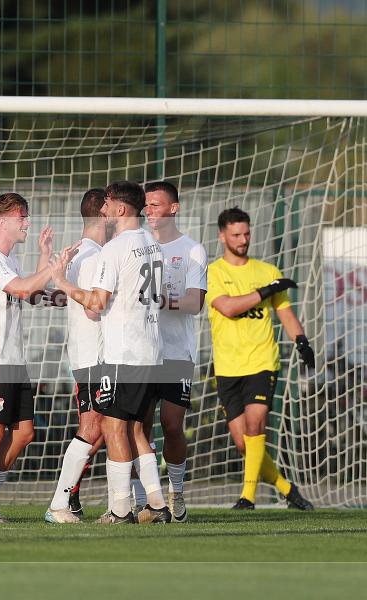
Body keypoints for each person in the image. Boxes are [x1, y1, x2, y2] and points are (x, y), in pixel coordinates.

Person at [50, 180, 170, 524]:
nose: (103, 208)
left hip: (124, 352)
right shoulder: (152, 244)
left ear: (120, 209)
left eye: (107, 203)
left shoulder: (113, 250)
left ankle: (120, 509)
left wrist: (61, 281)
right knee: (135, 430)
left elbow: (95, 303)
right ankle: (158, 505)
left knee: (114, 428)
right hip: (151, 351)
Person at [206, 207, 315, 511]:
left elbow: (285, 314)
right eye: (236, 234)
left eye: (247, 233)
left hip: (262, 362)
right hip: (228, 366)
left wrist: (302, 341)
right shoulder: (213, 272)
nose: (243, 239)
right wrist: (265, 291)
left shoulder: (268, 270)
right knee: (244, 443)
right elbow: (228, 307)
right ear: (222, 236)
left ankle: (247, 497)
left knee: (256, 427)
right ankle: (288, 489)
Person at [0, 193, 54, 524]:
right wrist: (52, 268)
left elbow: (31, 293)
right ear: (3, 221)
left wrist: (46, 257)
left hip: (13, 360)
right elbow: (21, 290)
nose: (27, 223)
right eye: (22, 217)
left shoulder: (10, 260)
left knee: (24, 433)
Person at [142, 181, 208, 523]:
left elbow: (195, 302)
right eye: (146, 204)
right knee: (137, 426)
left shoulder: (192, 250)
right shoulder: (136, 247)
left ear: (173, 208)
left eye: (156, 204)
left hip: (176, 353)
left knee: (171, 424)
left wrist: (159, 299)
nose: (149, 210)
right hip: (140, 351)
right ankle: (143, 501)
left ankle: (177, 491)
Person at [44, 188, 108, 524]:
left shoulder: (83, 252)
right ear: (105, 214)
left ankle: (136, 503)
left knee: (115, 426)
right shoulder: (95, 256)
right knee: (94, 427)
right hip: (95, 357)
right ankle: (60, 503)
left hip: (86, 358)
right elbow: (92, 311)